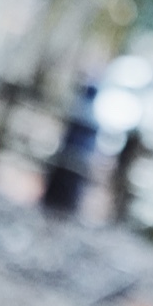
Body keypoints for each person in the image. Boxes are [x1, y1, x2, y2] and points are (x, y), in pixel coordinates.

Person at [40, 78, 99, 215]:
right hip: (75, 156)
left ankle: (58, 204)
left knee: (65, 185)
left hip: (73, 155)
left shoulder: (81, 108)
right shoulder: (89, 111)